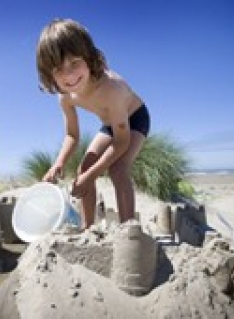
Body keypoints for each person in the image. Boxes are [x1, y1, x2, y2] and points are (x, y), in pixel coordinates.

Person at [36, 18, 150, 229]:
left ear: (88, 58)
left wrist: (91, 177)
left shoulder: (111, 89)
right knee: (84, 167)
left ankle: (129, 229)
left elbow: (122, 142)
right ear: (48, 74)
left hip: (134, 119)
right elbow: (72, 135)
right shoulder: (66, 97)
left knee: (118, 169)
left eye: (74, 63)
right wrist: (58, 163)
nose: (69, 76)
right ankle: (87, 228)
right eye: (58, 69)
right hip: (110, 124)